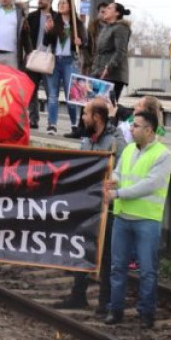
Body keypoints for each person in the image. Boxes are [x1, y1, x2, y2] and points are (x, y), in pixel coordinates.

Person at [103, 110, 171, 329]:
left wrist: (117, 194)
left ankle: (147, 312)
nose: (131, 129)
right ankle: (115, 309)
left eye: (135, 126)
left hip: (146, 218)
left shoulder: (164, 156)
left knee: (147, 269)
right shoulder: (128, 152)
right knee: (117, 267)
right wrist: (113, 182)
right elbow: (119, 173)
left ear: (149, 129)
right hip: (123, 216)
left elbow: (148, 185)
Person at [53, 98, 125, 314]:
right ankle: (78, 294)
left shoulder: (115, 143)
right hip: (86, 205)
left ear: (97, 117)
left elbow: (123, 170)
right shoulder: (86, 141)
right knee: (81, 248)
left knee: (106, 256)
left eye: (85, 113)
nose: (82, 118)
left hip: (106, 207)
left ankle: (105, 302)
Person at [43, 0, 87, 137]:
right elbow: (46, 42)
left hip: (70, 61)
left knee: (72, 95)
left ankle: (74, 124)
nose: (61, 5)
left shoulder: (77, 24)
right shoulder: (54, 21)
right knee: (53, 94)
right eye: (60, 3)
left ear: (71, 5)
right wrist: (47, 31)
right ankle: (52, 124)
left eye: (65, 3)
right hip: (55, 61)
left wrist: (80, 42)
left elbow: (86, 42)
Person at [25, 0, 55, 129]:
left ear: (49, 0)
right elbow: (24, 35)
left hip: (48, 59)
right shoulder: (32, 16)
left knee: (51, 92)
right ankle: (33, 120)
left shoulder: (57, 17)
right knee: (31, 90)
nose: (39, 0)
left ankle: (51, 122)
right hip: (33, 58)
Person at [91, 2, 132, 102]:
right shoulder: (106, 28)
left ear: (117, 13)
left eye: (109, 8)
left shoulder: (121, 28)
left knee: (107, 107)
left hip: (113, 75)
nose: (105, 10)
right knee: (91, 104)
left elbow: (120, 51)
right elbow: (100, 52)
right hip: (99, 71)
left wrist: (108, 68)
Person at [82, 2, 108, 76]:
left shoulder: (113, 29)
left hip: (106, 66)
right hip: (92, 65)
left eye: (106, 12)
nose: (104, 14)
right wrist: (89, 61)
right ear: (98, 13)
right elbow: (84, 47)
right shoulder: (91, 29)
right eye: (102, 12)